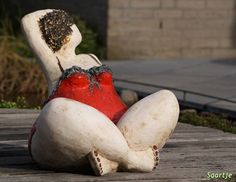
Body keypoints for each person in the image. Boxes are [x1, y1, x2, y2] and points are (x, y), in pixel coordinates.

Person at [21, 9, 179, 176]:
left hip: (117, 130)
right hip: (72, 137)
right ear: (64, 32)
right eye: (70, 23)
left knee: (167, 99)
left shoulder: (91, 57)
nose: (75, 25)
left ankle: (113, 159)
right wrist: (59, 12)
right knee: (55, 110)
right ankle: (130, 159)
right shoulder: (55, 63)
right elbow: (28, 22)